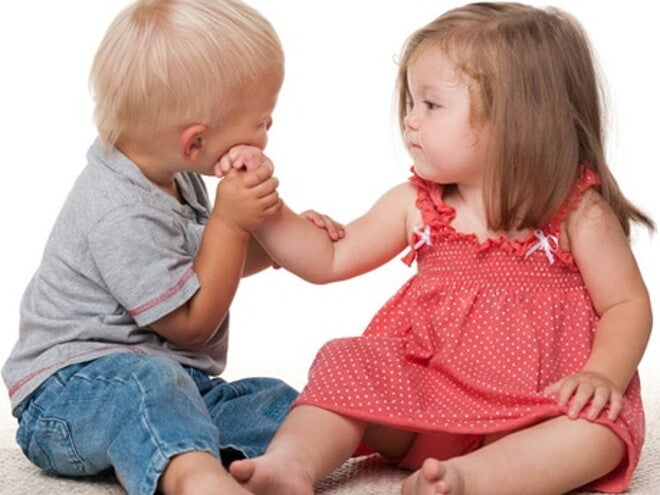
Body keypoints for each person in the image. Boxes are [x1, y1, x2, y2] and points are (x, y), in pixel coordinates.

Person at [219, 3, 654, 494]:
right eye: (410, 102)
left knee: (597, 436)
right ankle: (291, 462)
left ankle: (468, 482)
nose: (409, 120)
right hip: (424, 410)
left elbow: (626, 303)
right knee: (345, 360)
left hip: (533, 411)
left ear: (515, 120)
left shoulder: (577, 211)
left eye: (431, 105)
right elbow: (329, 259)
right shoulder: (417, 204)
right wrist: (268, 211)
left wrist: (604, 375)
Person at [1, 1, 342, 494]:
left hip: (175, 382)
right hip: (70, 395)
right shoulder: (117, 210)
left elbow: (201, 267)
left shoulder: (174, 174)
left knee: (281, 405)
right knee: (148, 387)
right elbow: (191, 326)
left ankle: (361, 433)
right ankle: (195, 478)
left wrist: (275, 245)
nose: (269, 130)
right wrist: (230, 222)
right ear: (195, 141)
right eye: (262, 120)